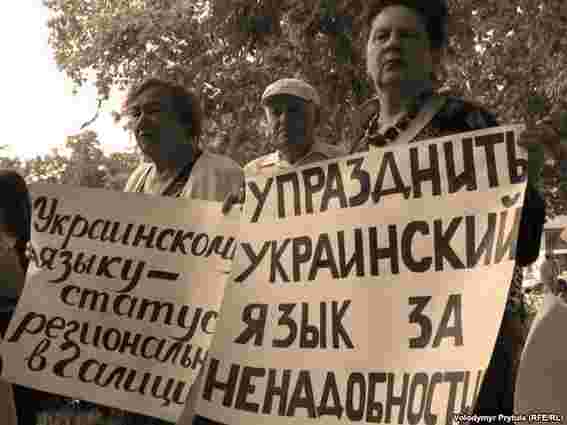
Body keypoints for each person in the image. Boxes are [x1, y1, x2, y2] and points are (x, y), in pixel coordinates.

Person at [350, 0, 546, 418]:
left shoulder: (470, 125)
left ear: (434, 55)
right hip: (380, 354)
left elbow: (524, 246)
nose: (392, 45)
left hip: (463, 353)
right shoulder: (356, 146)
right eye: (381, 36)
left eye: (407, 35)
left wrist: (526, 185)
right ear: (366, 53)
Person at [120, 78, 242, 425]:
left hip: (202, 349)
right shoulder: (136, 180)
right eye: (136, 113)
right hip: (143, 348)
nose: (142, 121)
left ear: (185, 121)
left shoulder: (224, 174)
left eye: (154, 110)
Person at [243, 78, 344, 177]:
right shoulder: (251, 174)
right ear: (266, 121)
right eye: (276, 112)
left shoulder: (343, 162)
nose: (284, 119)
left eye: (294, 110)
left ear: (316, 116)